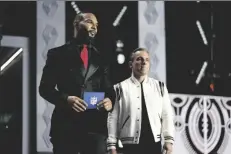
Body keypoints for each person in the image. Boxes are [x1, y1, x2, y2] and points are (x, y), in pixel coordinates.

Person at [39, 12, 115, 154]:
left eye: (96, 25)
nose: (94, 27)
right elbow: (44, 88)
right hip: (65, 126)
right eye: (89, 22)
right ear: (76, 24)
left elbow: (109, 90)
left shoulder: (102, 58)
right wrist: (66, 99)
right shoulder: (57, 54)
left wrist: (110, 101)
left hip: (95, 127)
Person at [107, 48, 175, 154]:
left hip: (153, 143)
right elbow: (113, 118)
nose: (144, 62)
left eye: (147, 60)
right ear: (131, 64)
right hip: (128, 144)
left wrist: (168, 141)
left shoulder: (159, 87)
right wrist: (111, 144)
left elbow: (167, 115)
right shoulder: (119, 88)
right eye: (139, 59)